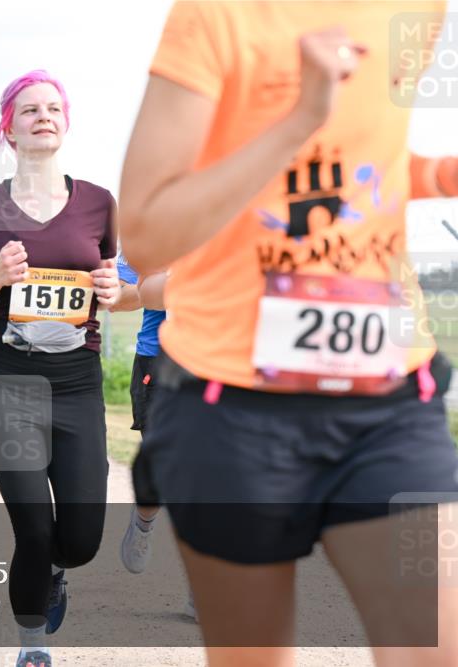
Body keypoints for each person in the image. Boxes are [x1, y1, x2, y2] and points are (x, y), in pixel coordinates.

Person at [117, 3, 458, 666]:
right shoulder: (216, 17)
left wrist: (439, 175)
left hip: (385, 400)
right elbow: (149, 231)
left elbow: (362, 160)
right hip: (231, 406)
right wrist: (300, 117)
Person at [0, 71, 120, 667]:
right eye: (29, 111)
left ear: (64, 123)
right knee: (34, 528)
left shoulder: (98, 202)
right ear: (8, 128)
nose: (43, 116)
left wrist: (112, 289)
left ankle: (56, 572)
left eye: (52, 108)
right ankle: (32, 646)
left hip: (77, 382)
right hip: (5, 382)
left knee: (79, 541)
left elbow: (112, 284)